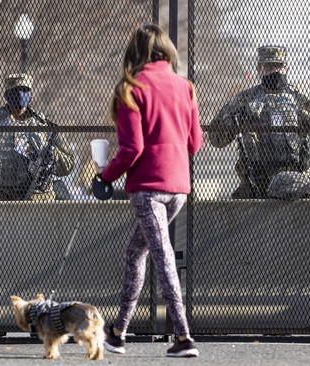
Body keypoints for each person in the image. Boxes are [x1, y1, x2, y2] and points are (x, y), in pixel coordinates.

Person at [94, 23, 203, 357]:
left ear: (136, 51)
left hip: (148, 189)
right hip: (178, 189)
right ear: (166, 50)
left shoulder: (131, 88)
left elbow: (132, 149)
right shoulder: (186, 87)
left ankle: (183, 337)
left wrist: (105, 176)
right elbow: (195, 144)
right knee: (135, 252)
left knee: (162, 255)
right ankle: (117, 332)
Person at [209, 46, 310, 199]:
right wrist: (238, 121)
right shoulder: (246, 99)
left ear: (286, 69)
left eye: (278, 66)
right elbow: (215, 137)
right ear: (259, 70)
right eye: (268, 67)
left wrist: (305, 117)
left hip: (296, 180)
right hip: (256, 182)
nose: (274, 71)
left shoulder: (298, 99)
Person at [0, 73, 75, 201]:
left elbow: (68, 166)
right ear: (6, 95)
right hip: (0, 195)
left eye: (25, 90)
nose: (20, 94)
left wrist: (51, 153)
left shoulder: (45, 126)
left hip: (37, 196)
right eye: (15, 90)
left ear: (30, 95)